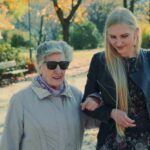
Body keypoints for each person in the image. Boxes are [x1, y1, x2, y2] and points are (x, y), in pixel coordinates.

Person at [0, 40, 99, 150]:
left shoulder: (76, 95)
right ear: (40, 66)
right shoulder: (20, 101)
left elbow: (98, 120)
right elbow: (8, 145)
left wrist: (98, 99)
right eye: (51, 65)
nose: (58, 70)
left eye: (63, 65)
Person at [81, 7, 150, 150]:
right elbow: (85, 105)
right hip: (113, 141)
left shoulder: (148, 59)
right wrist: (111, 113)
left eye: (124, 36)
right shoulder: (100, 60)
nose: (118, 43)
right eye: (113, 37)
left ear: (136, 33)